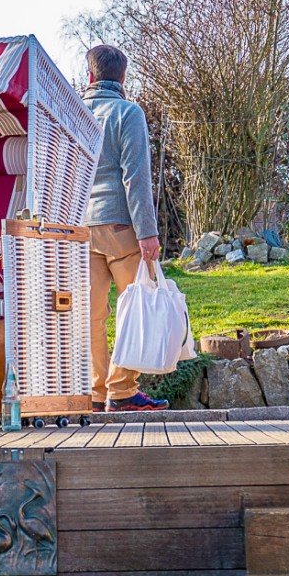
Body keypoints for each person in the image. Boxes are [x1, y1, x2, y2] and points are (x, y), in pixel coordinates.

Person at [82, 44, 169, 412]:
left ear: (89, 76)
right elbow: (136, 177)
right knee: (136, 307)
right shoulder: (127, 113)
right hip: (121, 226)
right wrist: (147, 232)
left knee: (92, 315)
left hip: (80, 226)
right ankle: (121, 390)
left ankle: (95, 390)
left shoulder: (73, 113)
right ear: (122, 78)